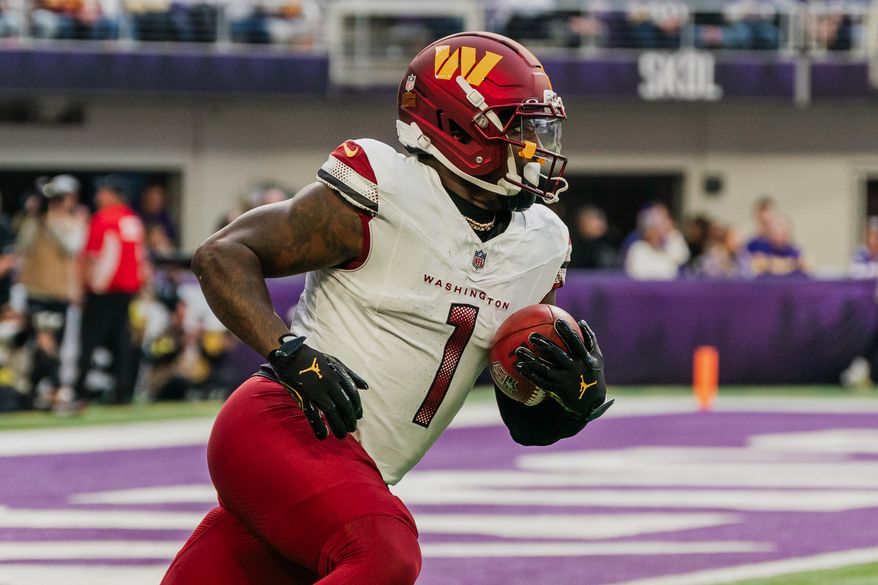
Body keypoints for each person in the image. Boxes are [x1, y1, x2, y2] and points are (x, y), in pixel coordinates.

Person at [162, 31, 613, 585]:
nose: (535, 148)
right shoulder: (384, 189)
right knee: (383, 552)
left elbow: (524, 420)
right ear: (459, 126)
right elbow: (221, 255)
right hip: (283, 425)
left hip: (344, 471)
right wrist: (290, 353)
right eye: (518, 129)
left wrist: (570, 402)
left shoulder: (540, 243)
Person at [73, 175, 146, 407]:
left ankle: (80, 390)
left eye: (102, 192)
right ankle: (123, 390)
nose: (98, 196)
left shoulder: (103, 219)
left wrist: (82, 287)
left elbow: (91, 257)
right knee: (121, 341)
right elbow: (141, 258)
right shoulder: (133, 220)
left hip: (102, 290)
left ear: (113, 195)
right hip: (127, 290)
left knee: (89, 340)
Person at [16, 175, 85, 409]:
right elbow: (23, 245)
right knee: (42, 340)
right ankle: (55, 389)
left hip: (59, 293)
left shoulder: (72, 222)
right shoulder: (34, 222)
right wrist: (34, 217)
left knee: (54, 343)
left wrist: (52, 221)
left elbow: (71, 247)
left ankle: (34, 391)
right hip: (36, 291)